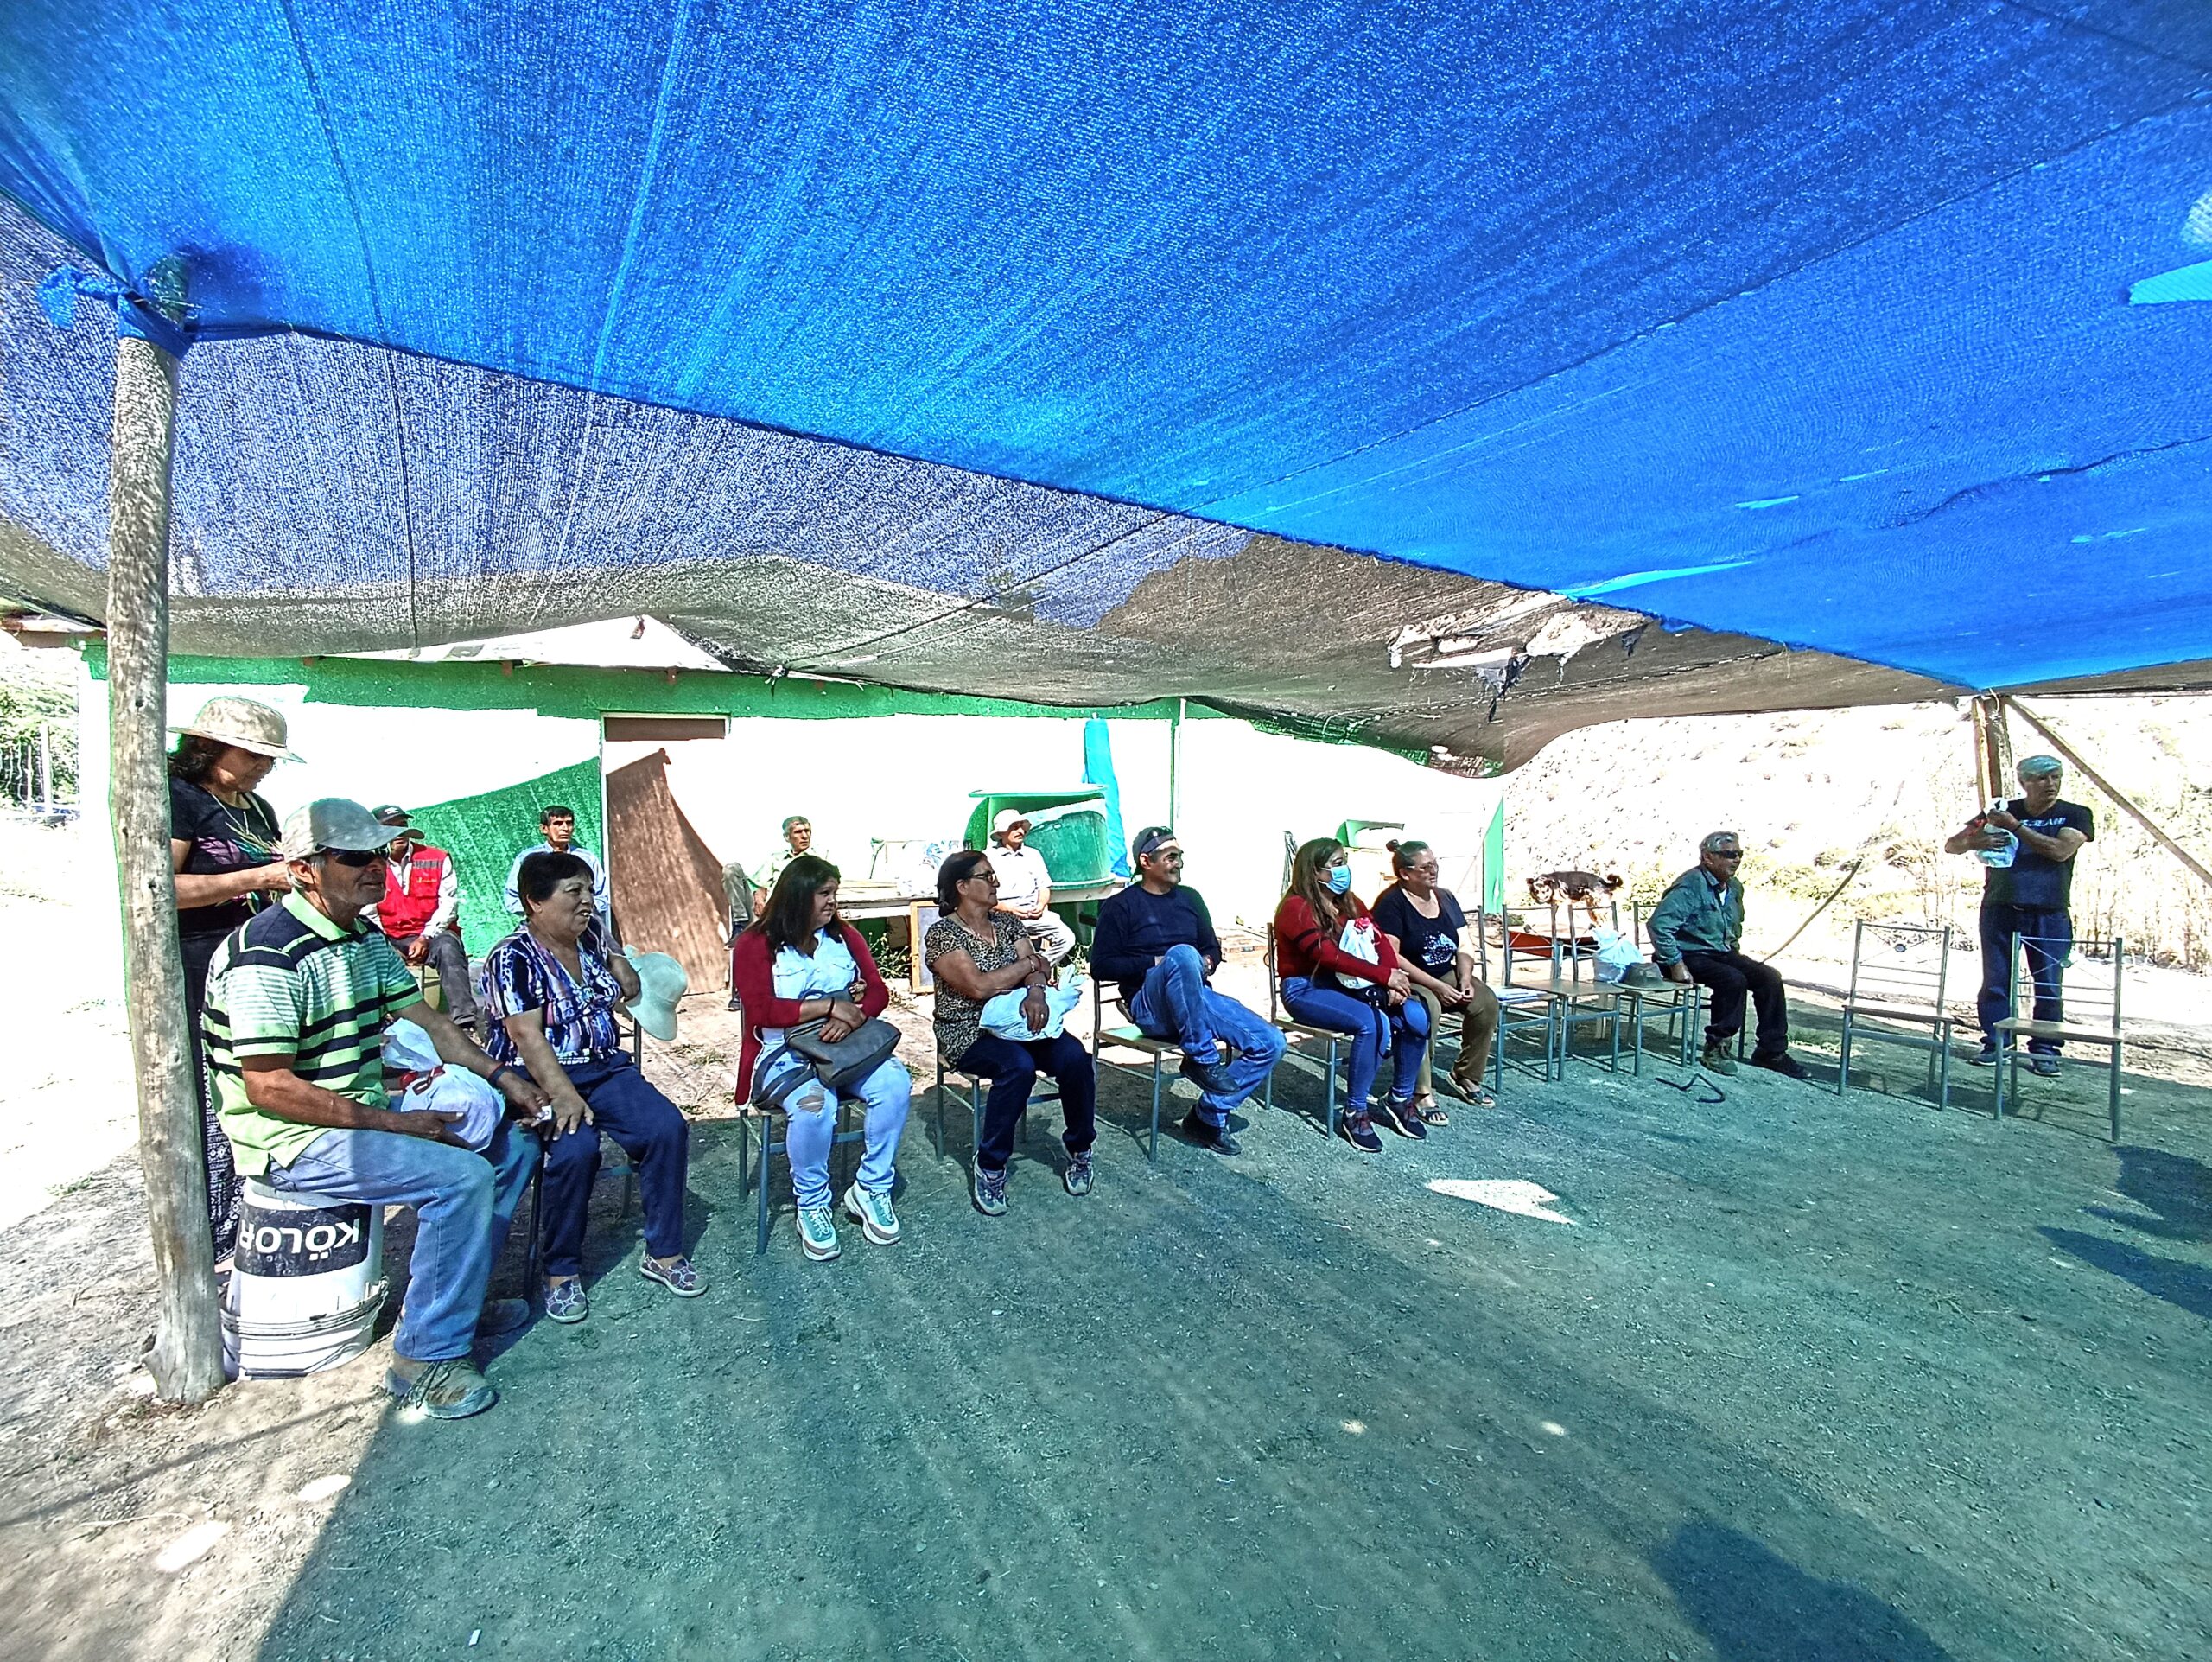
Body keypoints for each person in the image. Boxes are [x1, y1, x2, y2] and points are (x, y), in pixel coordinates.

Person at [200, 799, 550, 1421]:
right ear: (303, 870)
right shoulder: (267, 954)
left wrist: (503, 1078)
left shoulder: (364, 938)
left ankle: (451, 1304)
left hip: (353, 1110)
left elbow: (434, 1025)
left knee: (515, 1143)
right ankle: (424, 1359)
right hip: (289, 1138)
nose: (376, 868)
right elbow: (270, 1089)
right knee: (460, 1177)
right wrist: (400, 1122)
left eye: (380, 854)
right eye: (355, 856)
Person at [478, 852, 701, 1322]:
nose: (587, 901)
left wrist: (620, 961)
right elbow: (526, 1035)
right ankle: (560, 1271)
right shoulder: (511, 957)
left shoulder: (592, 935)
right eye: (573, 892)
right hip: (540, 1076)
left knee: (666, 1128)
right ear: (535, 902)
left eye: (589, 890)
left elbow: (618, 963)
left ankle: (663, 1251)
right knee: (575, 1151)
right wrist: (562, 1094)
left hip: (604, 1067)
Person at [728, 854, 912, 1260]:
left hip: (843, 1045)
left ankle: (872, 1187)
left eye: (834, 893)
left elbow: (878, 991)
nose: (832, 901)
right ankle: (811, 1203)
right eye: (824, 893)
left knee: (895, 1083)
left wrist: (852, 1018)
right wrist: (829, 1006)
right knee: (815, 1105)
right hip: (781, 1050)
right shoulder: (755, 944)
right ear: (798, 895)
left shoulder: (845, 937)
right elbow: (760, 1010)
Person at [168, 696, 296, 1261]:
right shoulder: (180, 798)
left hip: (256, 968)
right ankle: (211, 1227)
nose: (264, 767)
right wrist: (257, 877)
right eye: (254, 756)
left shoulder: (256, 807)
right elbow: (160, 885)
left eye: (268, 758)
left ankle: (256, 1207)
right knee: (211, 1096)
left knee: (260, 1080)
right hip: (199, 964)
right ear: (211, 748)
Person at [1090, 825, 1286, 1155]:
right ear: (1145, 862)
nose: (1179, 862)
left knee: (1272, 1043)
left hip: (1196, 997)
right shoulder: (1120, 905)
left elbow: (1212, 948)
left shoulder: (1191, 899)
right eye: (1170, 857)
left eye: (1180, 856)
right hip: (1150, 1005)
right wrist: (1159, 962)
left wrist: (1206, 961)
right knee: (1182, 954)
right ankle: (1201, 1057)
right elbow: (1101, 967)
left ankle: (1207, 1115)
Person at [925, 849, 1097, 1215]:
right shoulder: (943, 934)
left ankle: (1080, 1147)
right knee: (1017, 1066)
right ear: (962, 886)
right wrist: (1028, 965)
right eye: (987, 877)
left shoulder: (1007, 923)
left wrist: (1035, 990)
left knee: (1075, 1059)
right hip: (968, 1029)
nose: (996, 882)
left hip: (1022, 1021)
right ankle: (990, 1163)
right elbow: (978, 987)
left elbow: (1039, 969)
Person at [1274, 837, 1431, 1151]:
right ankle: (1355, 1111)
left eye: (1344, 861)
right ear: (1314, 871)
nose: (1344, 869)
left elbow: (1378, 940)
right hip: (1306, 988)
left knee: (1416, 1015)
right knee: (1371, 1023)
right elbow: (1328, 956)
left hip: (1348, 984)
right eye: (1336, 864)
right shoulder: (1295, 907)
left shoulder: (1350, 902)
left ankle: (1400, 1098)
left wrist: (1392, 978)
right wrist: (1383, 976)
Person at [1943, 755, 2095, 1074]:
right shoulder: (2001, 811)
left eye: (2055, 777)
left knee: (2048, 984)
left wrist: (2015, 827)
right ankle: (1997, 1043)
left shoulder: (2074, 814)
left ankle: (2045, 1050)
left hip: (2049, 911)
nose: (2050, 784)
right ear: (2024, 782)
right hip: (2000, 907)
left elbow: (2059, 851)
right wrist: (1976, 840)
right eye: (2041, 778)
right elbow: (1952, 845)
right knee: (1996, 980)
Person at [1649, 831, 1810, 1079]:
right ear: (1708, 857)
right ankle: (1717, 1047)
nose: (1736, 860)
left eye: (1739, 854)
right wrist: (1675, 963)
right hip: (1687, 954)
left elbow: (1734, 926)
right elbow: (1659, 925)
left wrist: (1736, 955)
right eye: (1729, 854)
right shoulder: (1690, 885)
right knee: (1732, 979)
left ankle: (1771, 1051)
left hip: (1720, 952)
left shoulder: (1734, 887)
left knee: (1769, 977)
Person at [1373, 839, 1501, 1116]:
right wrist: (1437, 986)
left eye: (1435, 864)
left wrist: (1464, 978)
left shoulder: (1445, 898)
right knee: (1426, 1008)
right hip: (1408, 977)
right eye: (1425, 867)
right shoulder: (1391, 903)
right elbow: (1391, 956)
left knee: (1485, 1002)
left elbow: (1464, 944)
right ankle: (1420, 1091)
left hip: (1445, 971)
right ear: (1405, 873)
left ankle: (1466, 1075)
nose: (1434, 871)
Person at [365, 805, 479, 1034]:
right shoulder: (368, 866)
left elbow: (448, 905)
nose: (399, 833)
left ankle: (466, 1022)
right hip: (391, 936)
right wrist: (385, 944)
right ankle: (382, 1027)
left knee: (448, 947)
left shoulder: (437, 858)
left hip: (433, 934)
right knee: (367, 952)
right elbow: (368, 912)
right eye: (390, 827)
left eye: (402, 826)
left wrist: (426, 937)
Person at [984, 809, 1076, 965]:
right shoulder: (988, 858)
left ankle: (1037, 967)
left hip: (1033, 914)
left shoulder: (1033, 855)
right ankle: (1017, 972)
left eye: (1022, 827)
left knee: (1067, 938)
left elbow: (1044, 887)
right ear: (1001, 833)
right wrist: (1009, 909)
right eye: (1014, 827)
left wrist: (1041, 905)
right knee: (1000, 950)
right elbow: (982, 897)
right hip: (1002, 916)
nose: (1020, 831)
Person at [503, 805, 608, 928]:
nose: (565, 828)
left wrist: (579, 909)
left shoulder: (588, 859)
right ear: (544, 829)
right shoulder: (527, 859)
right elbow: (512, 899)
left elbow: (603, 897)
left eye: (569, 823)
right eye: (557, 824)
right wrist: (545, 911)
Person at [750, 815, 814, 908]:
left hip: (803, 907)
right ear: (787, 837)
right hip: (773, 910)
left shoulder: (821, 857)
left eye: (807, 831)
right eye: (798, 832)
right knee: (733, 870)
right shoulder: (775, 859)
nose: (805, 836)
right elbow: (760, 887)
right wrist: (759, 902)